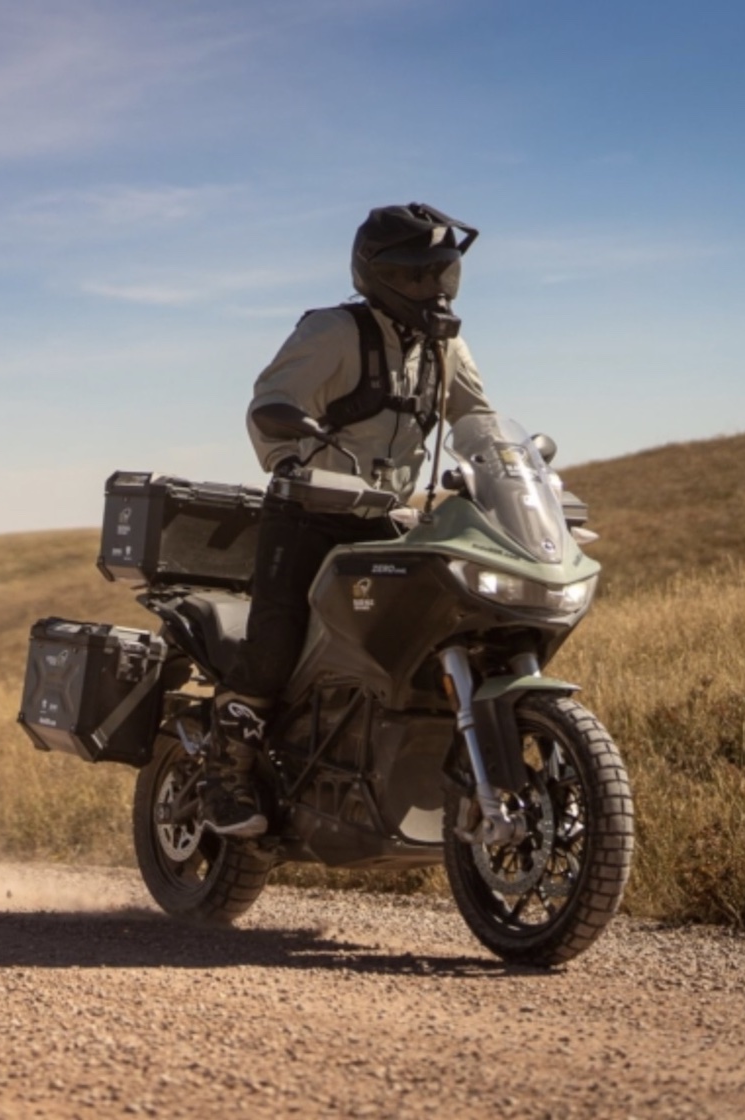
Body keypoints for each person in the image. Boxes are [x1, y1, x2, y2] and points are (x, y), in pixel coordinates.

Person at [200, 202, 495, 837]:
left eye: (442, 274)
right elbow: (271, 403)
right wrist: (293, 458)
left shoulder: (447, 348)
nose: (432, 290)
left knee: (436, 629)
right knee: (276, 643)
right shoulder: (335, 331)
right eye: (416, 276)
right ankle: (224, 776)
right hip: (309, 514)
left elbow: (477, 421)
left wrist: (507, 471)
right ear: (376, 274)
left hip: (387, 517)